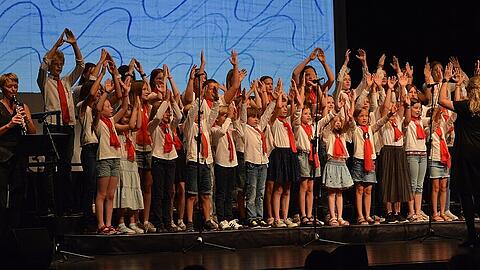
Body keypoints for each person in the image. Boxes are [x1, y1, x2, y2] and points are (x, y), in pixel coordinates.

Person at [37, 28, 84, 215]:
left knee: (65, 166)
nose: (59, 66)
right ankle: (50, 205)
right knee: (50, 165)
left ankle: (65, 205)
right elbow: (43, 64)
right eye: (56, 64)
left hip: (68, 126)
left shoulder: (66, 82)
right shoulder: (44, 82)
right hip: (52, 126)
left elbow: (80, 66)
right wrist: (56, 46)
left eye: (61, 64)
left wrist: (74, 45)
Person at [439, 63, 480, 247]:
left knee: (466, 194)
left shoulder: (465, 107)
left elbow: (442, 101)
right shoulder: (468, 107)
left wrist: (446, 81)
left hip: (465, 154)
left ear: (469, 90)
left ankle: (472, 235)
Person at [93, 72, 130, 234]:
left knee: (110, 194)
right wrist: (107, 92)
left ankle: (109, 223)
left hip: (115, 158)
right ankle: (101, 224)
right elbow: (98, 108)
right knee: (101, 194)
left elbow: (124, 107)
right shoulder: (98, 122)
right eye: (108, 106)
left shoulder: (112, 121)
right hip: (104, 158)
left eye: (110, 106)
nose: (110, 108)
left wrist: (127, 94)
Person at [0, 73, 36, 235]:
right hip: (2, 155)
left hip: (19, 155)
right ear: (2, 88)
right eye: (10, 86)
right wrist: (9, 124)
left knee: (19, 192)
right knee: (1, 195)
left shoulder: (22, 106)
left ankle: (14, 229)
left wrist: (26, 119)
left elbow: (32, 132)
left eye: (15, 86)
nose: (13, 90)